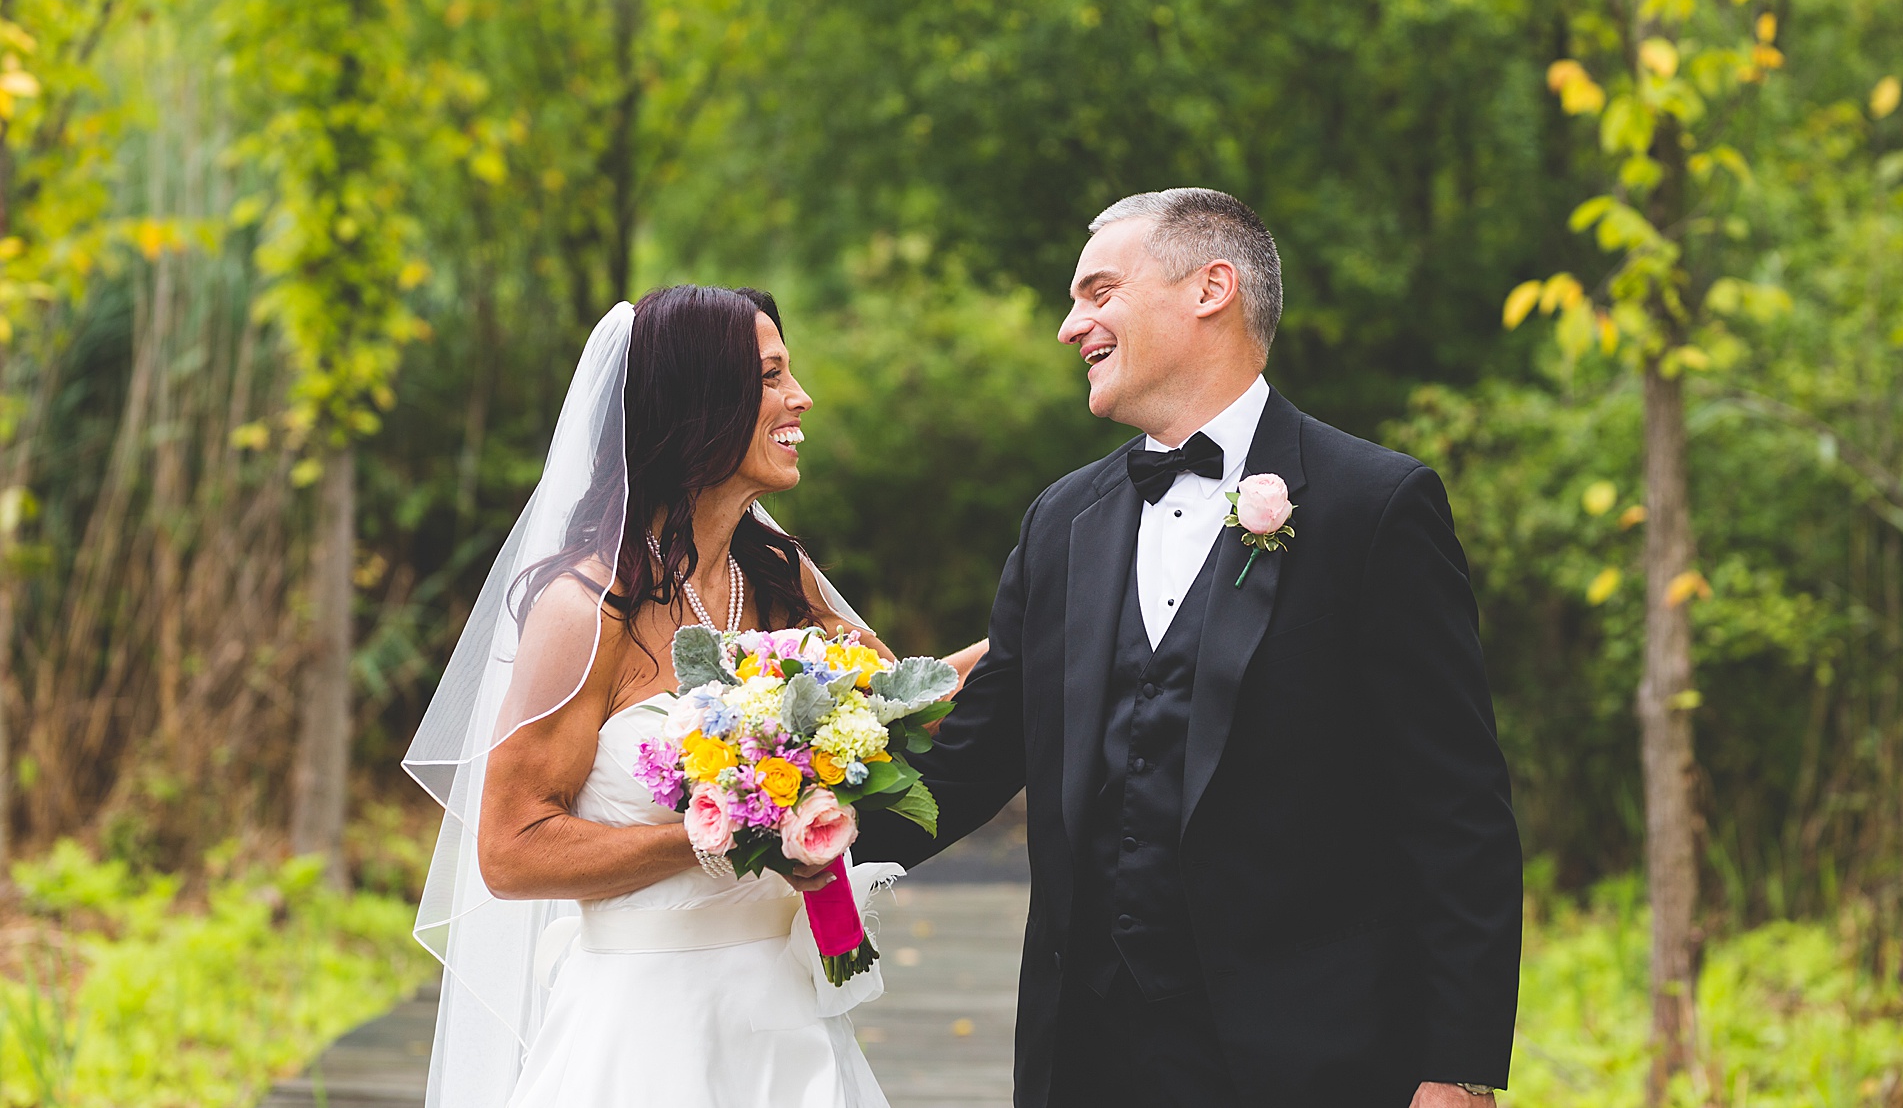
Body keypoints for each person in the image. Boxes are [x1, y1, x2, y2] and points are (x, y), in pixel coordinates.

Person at [856, 189, 1523, 1108]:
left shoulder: (1376, 506)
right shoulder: (1061, 523)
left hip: (1314, 1054)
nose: (1068, 326)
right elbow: (970, 759)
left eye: (1097, 292)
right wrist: (775, 830)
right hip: (1087, 1056)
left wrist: (1460, 1065)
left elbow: (1458, 809)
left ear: (1211, 287)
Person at [403, 285, 977, 1108]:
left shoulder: (781, 579)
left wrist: (1042, 624)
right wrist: (728, 832)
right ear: (701, 406)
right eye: (772, 376)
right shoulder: (588, 607)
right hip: (647, 1030)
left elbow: (907, 700)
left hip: (787, 1022)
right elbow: (511, 850)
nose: (799, 396)